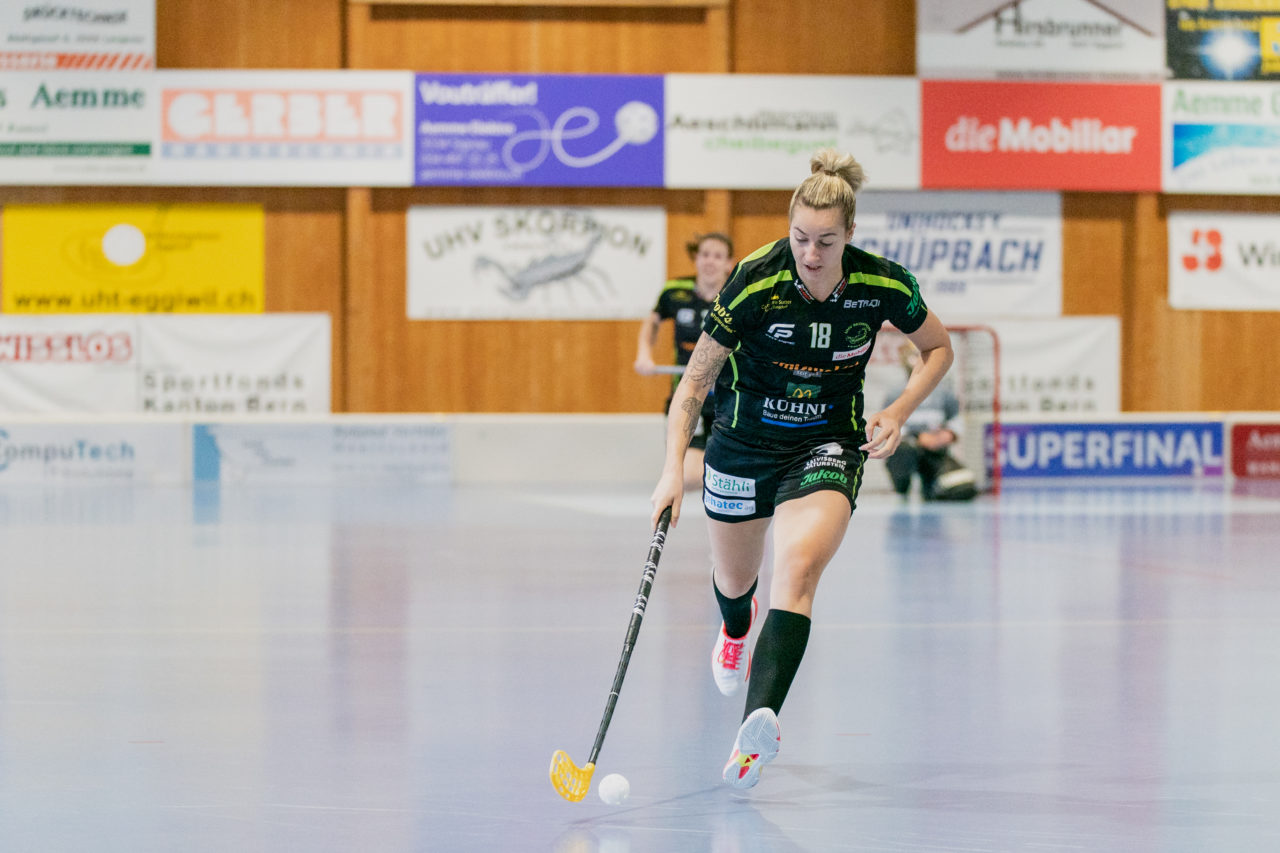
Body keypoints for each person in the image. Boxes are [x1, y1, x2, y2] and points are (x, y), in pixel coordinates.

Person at [648, 149, 955, 789]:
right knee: (735, 586)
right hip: (741, 443)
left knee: (799, 566)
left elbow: (938, 348)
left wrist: (899, 409)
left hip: (827, 442)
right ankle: (735, 630)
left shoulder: (882, 284)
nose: (811, 254)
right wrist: (672, 469)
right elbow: (694, 383)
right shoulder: (755, 281)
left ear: (849, 236)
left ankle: (756, 725)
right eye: (800, 238)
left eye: (826, 241)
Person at [634, 232, 736, 491]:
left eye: (717, 256)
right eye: (704, 255)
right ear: (696, 259)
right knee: (690, 477)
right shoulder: (674, 291)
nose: (709, 261)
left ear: (728, 262)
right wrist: (644, 353)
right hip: (690, 397)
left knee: (731, 472)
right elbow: (652, 323)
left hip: (729, 397)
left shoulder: (737, 295)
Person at [882, 340, 974, 501]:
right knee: (903, 452)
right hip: (908, 449)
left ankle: (931, 486)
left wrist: (948, 434)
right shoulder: (895, 393)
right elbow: (889, 425)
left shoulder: (944, 392)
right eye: (914, 356)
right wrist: (918, 438)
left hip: (936, 450)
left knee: (963, 488)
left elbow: (955, 419)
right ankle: (901, 491)